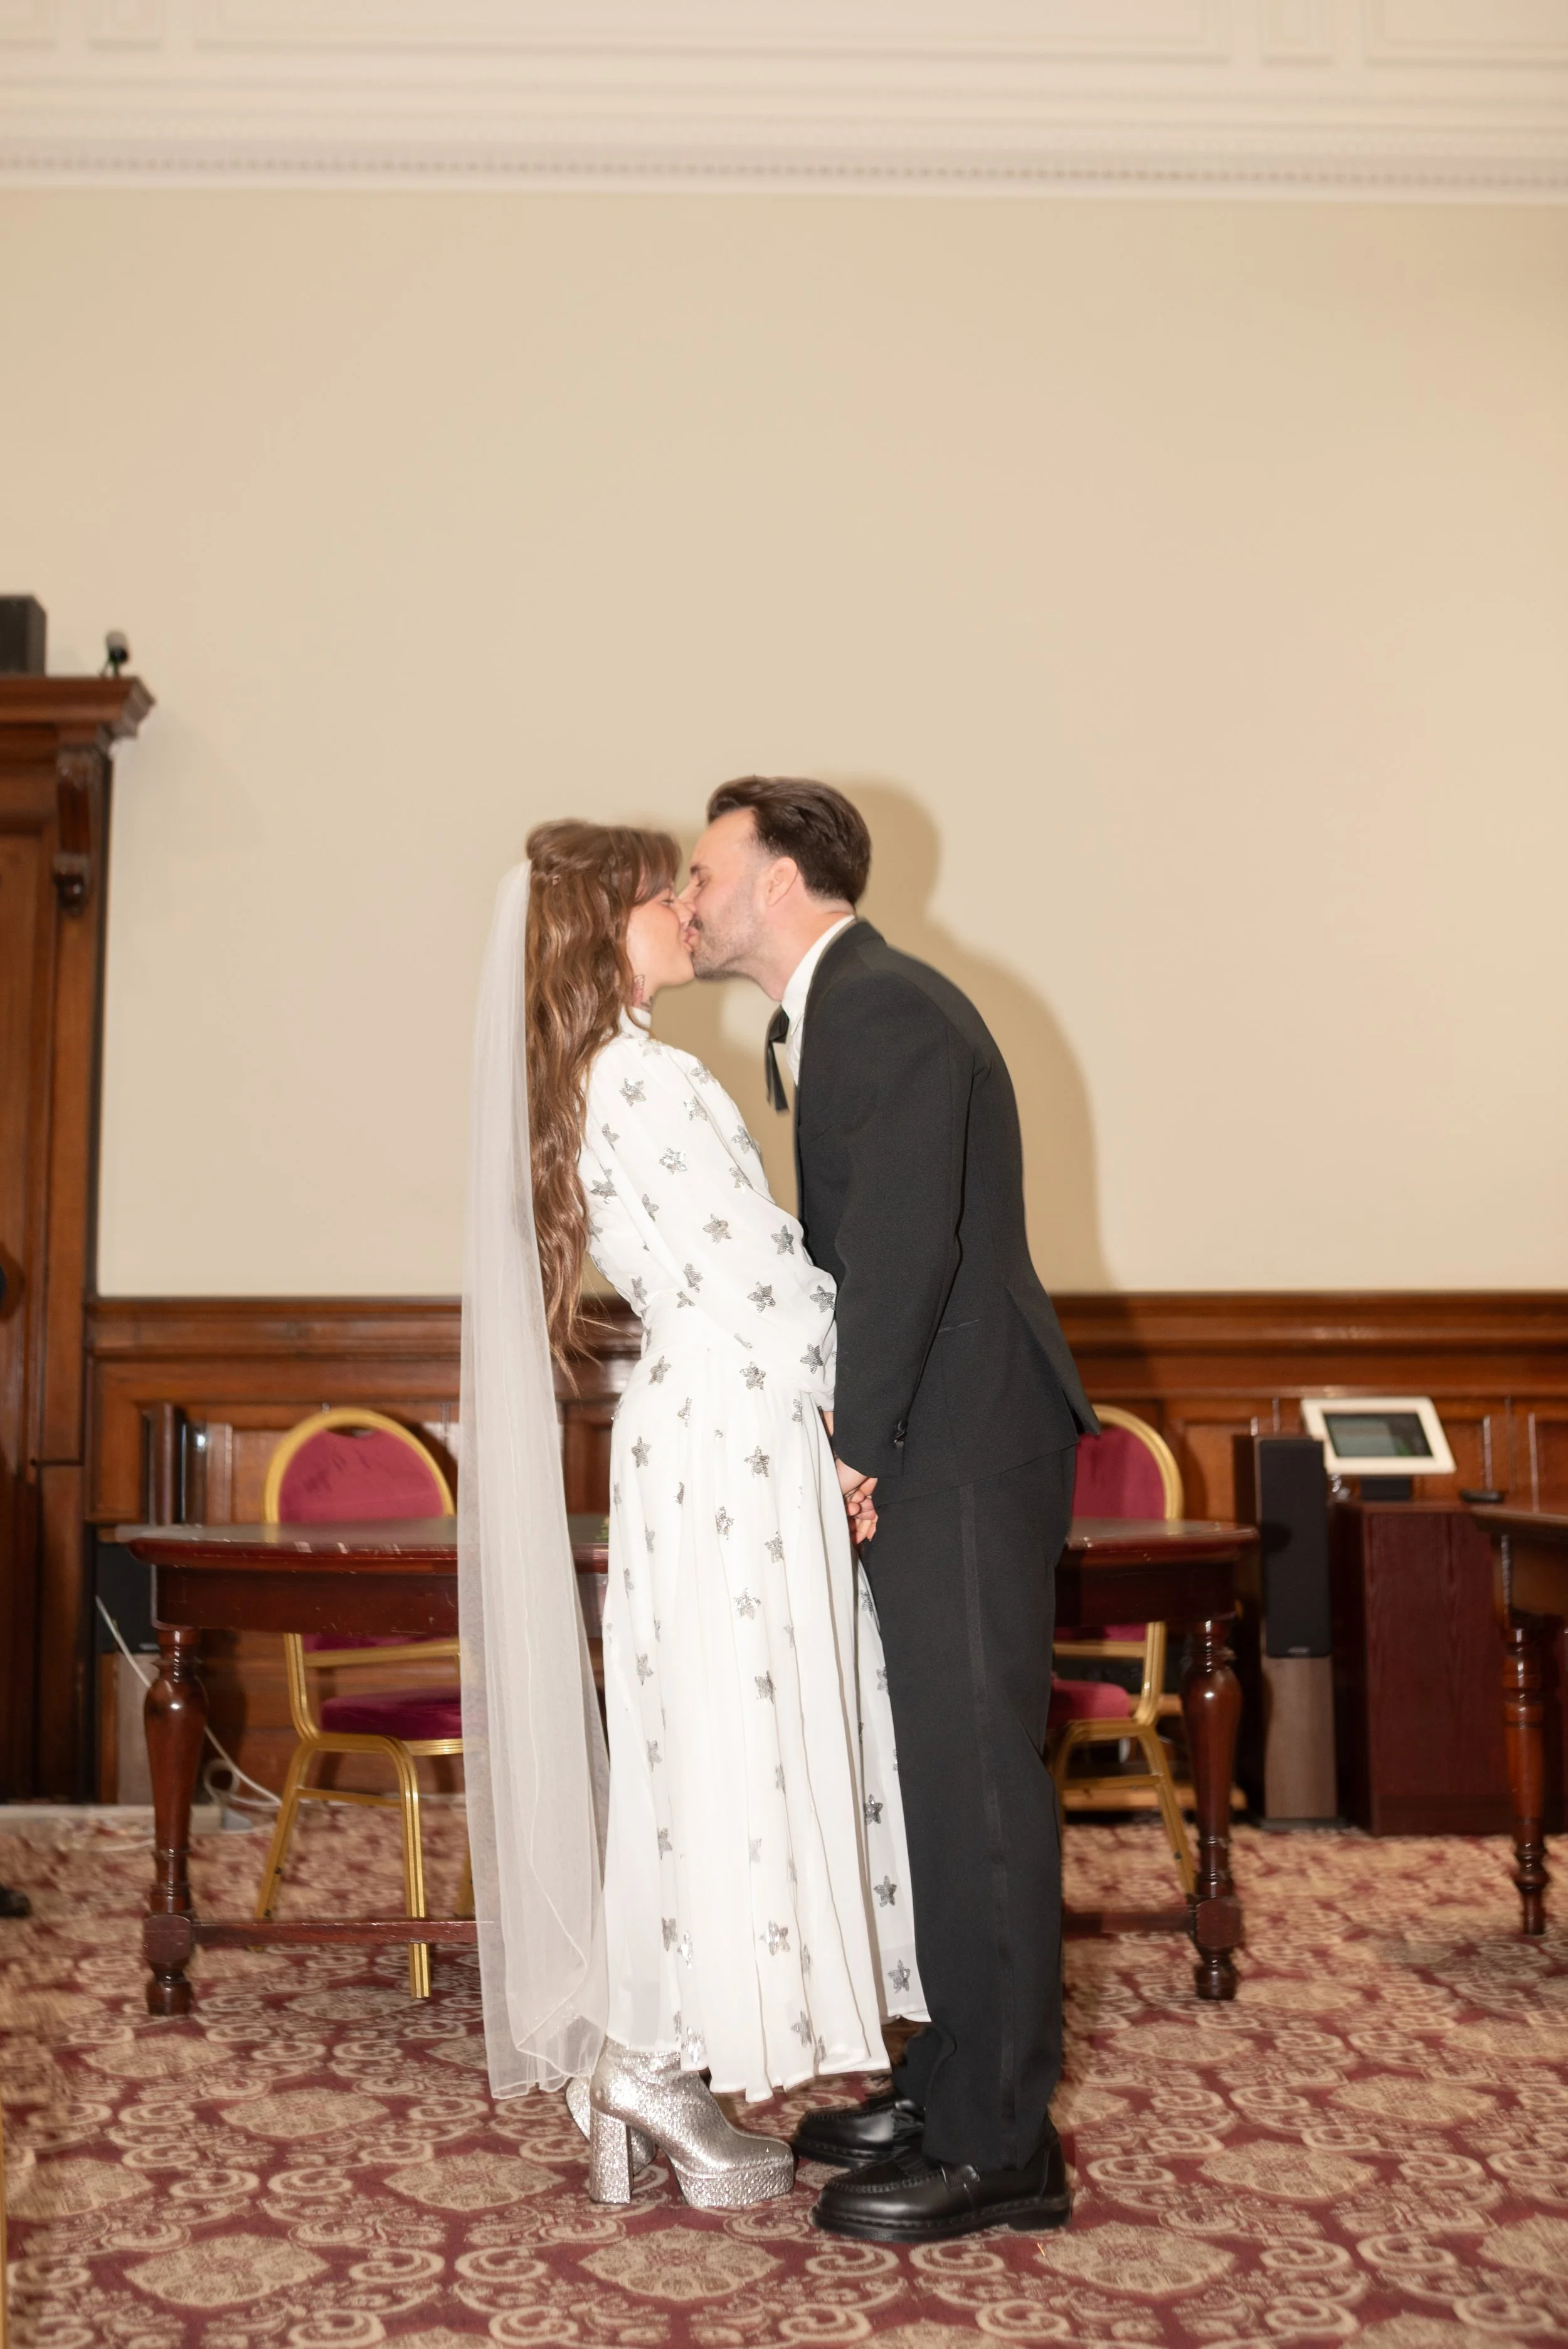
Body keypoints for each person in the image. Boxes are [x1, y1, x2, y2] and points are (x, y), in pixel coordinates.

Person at [458, 821, 923, 2215]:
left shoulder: (595, 1080)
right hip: (734, 1431)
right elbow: (766, 1280)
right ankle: (657, 2062)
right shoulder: (647, 1082)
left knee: (698, 1736)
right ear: (603, 927)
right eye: (656, 891)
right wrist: (864, 1422)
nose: (679, 906)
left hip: (697, 1424)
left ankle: (653, 2064)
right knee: (729, 1730)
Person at [681, 777, 1098, 2245]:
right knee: (936, 1778)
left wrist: (852, 1448)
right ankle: (950, 2076)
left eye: (707, 866)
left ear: (782, 877)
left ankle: (1002, 2145)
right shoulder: (847, 1006)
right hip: (942, 1433)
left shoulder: (877, 1005)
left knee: (975, 1783)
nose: (691, 891)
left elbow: (907, 1247)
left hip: (962, 1444)